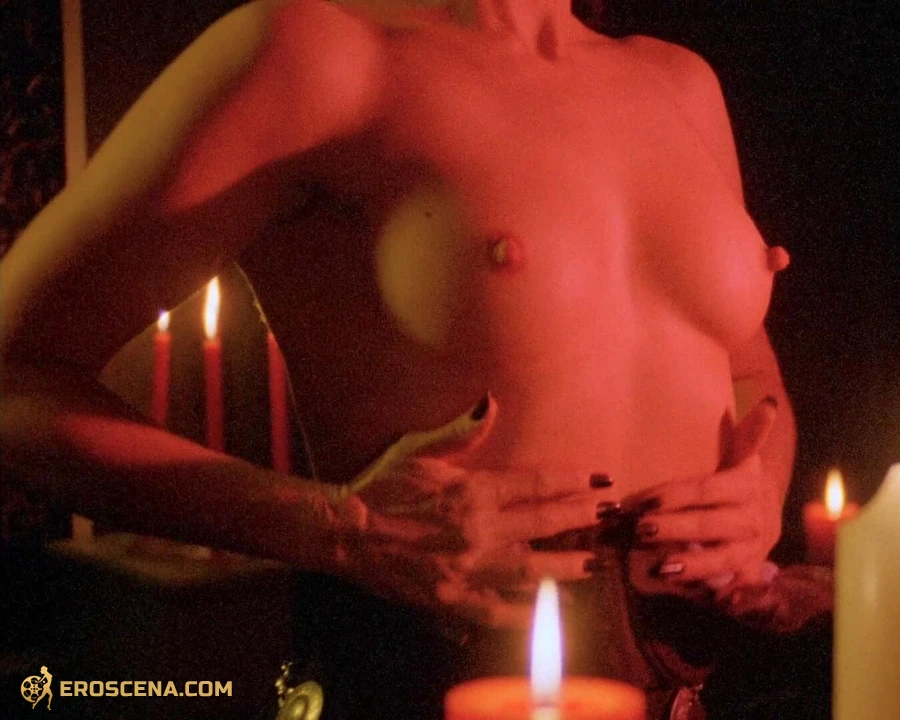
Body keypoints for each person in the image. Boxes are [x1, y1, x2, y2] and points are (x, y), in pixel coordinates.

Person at [0, 0, 806, 717]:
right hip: (436, 670)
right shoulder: (312, 53)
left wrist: (761, 495)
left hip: (701, 676)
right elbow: (15, 377)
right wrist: (340, 529)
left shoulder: (679, 82)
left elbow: (751, 376)